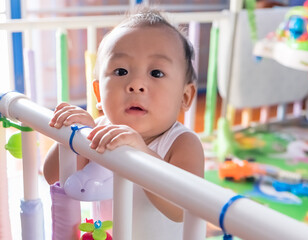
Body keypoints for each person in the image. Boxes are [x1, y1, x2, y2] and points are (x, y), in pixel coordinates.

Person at [43, 7, 205, 240]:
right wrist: (75, 139)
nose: (136, 84)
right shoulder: (98, 131)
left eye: (156, 73)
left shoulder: (182, 144)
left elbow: (184, 209)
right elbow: (53, 177)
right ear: (99, 93)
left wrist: (142, 154)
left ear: (185, 97)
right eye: (121, 71)